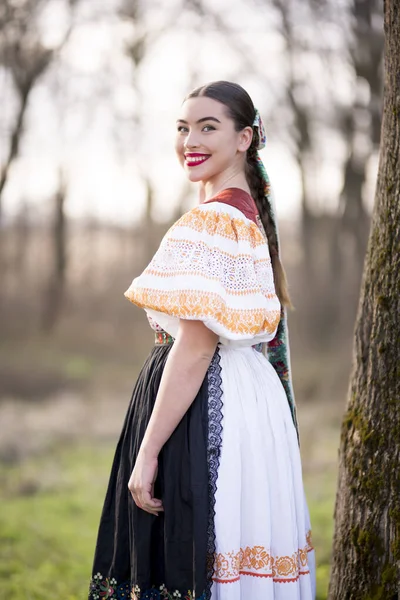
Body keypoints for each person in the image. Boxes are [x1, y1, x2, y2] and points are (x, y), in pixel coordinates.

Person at [88, 80, 316, 600]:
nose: (190, 139)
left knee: (188, 558)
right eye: (183, 128)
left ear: (245, 139)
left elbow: (194, 347)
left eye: (208, 127)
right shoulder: (244, 209)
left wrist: (147, 453)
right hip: (251, 400)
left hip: (210, 406)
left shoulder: (214, 220)